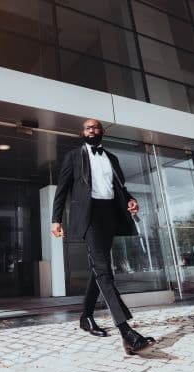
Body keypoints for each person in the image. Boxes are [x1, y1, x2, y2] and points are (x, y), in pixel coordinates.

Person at [51, 118, 156, 355]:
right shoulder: (73, 157)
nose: (92, 129)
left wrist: (130, 200)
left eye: (96, 127)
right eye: (88, 127)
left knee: (99, 269)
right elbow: (62, 190)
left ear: (101, 132)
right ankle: (126, 332)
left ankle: (86, 317)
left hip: (109, 215)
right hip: (88, 217)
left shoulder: (112, 159)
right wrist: (55, 219)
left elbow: (120, 188)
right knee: (103, 269)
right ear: (82, 132)